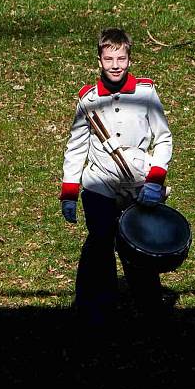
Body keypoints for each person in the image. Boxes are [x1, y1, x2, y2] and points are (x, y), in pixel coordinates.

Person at [59, 27, 173, 325]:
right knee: (99, 242)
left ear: (129, 60)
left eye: (120, 58)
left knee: (138, 245)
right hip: (99, 183)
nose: (115, 65)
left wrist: (155, 180)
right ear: (99, 60)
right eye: (109, 58)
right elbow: (76, 145)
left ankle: (149, 308)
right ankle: (94, 309)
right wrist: (69, 192)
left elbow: (163, 139)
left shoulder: (147, 92)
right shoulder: (88, 98)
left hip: (138, 184)